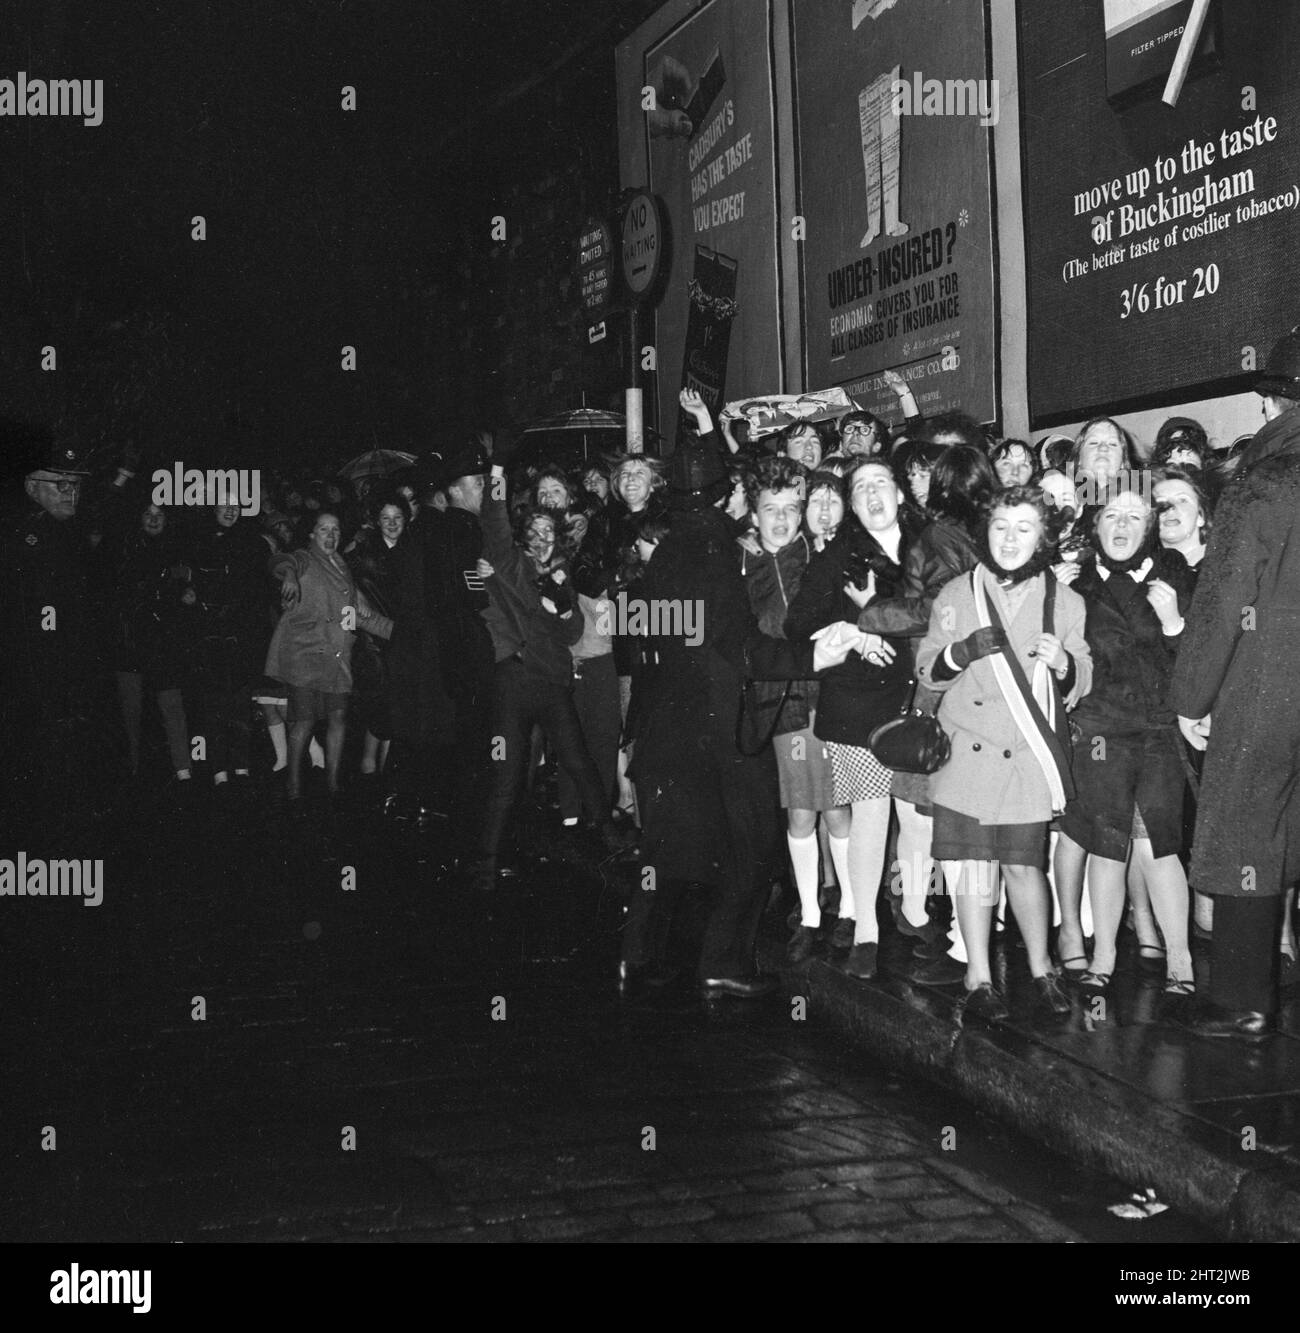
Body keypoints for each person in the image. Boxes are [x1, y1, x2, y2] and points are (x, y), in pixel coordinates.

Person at [624, 415, 864, 996]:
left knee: (667, 852)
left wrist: (633, 737)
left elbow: (644, 640)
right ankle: (724, 962)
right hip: (723, 730)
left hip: (666, 729)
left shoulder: (664, 556)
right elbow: (745, 649)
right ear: (725, 497)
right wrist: (813, 658)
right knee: (754, 845)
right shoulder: (714, 555)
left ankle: (636, 956)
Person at [917, 486, 1092, 1019]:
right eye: (1000, 527)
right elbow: (926, 670)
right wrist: (958, 652)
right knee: (971, 869)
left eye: (1024, 528)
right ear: (984, 532)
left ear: (1043, 536)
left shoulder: (1064, 601)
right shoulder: (955, 594)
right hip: (967, 754)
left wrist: (1064, 664)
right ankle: (977, 978)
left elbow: (1083, 676)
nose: (1010, 539)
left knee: (1023, 867)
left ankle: (1042, 969)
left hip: (1024, 759)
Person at [1171, 323, 1300, 1038]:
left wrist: (1192, 697)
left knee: (1251, 827)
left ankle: (1244, 998)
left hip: (1270, 685)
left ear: (1270, 403)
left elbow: (1221, 600)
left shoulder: (1264, 480)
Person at [1052, 484, 1195, 998]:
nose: (1121, 525)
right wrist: (1055, 601)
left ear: (1151, 527)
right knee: (1108, 846)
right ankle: (1105, 955)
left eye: (1135, 517)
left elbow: (1199, 655)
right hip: (1101, 729)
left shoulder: (1173, 574)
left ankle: (1180, 958)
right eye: (1112, 514)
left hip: (1158, 728)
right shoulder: (1074, 583)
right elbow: (1058, 666)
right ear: (1095, 526)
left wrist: (1175, 622)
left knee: (1159, 846)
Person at [785, 457, 925, 977]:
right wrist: (853, 634)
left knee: (915, 815)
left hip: (920, 700)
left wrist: (876, 618)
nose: (872, 495)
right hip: (858, 702)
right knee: (871, 812)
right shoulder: (840, 555)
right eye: (860, 486)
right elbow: (797, 623)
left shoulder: (927, 543)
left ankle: (913, 913)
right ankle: (865, 927)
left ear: (900, 491)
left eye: (880, 483)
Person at [468, 475, 630, 890]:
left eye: (548, 532)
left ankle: (608, 836)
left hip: (553, 682)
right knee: (507, 770)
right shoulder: (508, 564)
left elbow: (573, 633)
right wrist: (499, 474)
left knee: (578, 760)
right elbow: (494, 520)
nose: (541, 538)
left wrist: (562, 609)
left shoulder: (561, 577)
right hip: (515, 679)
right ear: (523, 537)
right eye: (534, 531)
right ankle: (486, 864)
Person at [738, 456, 850, 964]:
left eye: (790, 508)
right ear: (753, 514)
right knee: (801, 810)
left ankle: (848, 907)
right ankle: (808, 914)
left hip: (829, 696)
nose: (781, 519)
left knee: (838, 806)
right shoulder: (740, 564)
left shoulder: (816, 554)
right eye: (770, 509)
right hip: (779, 702)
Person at [1, 437, 109, 832]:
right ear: (32, 488)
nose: (71, 492)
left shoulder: (69, 534)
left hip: (67, 670)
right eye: (61, 484)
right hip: (36, 673)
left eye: (75, 485)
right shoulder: (22, 535)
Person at [266, 511, 391, 802]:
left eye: (335, 530)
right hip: (305, 655)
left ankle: (333, 783)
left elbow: (362, 616)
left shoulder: (343, 567)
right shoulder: (304, 558)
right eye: (323, 529)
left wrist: (401, 633)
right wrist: (288, 576)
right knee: (305, 722)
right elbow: (280, 561)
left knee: (338, 718)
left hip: (336, 656)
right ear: (312, 534)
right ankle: (294, 784)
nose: (331, 535)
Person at [110, 501, 197, 788]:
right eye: (148, 513)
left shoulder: (177, 549)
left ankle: (183, 769)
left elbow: (186, 586)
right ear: (139, 518)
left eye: (159, 515)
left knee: (172, 705)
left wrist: (186, 594)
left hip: (164, 642)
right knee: (130, 710)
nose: (153, 519)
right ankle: (131, 767)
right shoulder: (125, 547)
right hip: (131, 641)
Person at [192, 501, 270, 792]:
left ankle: (241, 764)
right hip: (210, 636)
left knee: (240, 704)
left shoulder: (252, 542)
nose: (230, 511)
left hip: (241, 636)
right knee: (213, 705)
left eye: (235, 506)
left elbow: (261, 587)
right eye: (224, 506)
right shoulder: (199, 542)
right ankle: (218, 769)